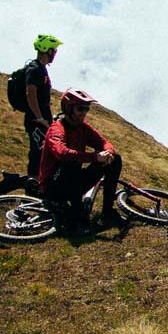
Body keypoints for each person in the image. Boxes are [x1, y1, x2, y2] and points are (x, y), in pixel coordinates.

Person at [38, 89, 125, 235]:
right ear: (68, 108)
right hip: (53, 186)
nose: (84, 113)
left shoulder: (83, 127)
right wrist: (95, 157)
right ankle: (77, 218)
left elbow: (103, 142)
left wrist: (108, 153)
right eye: (80, 108)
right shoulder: (56, 129)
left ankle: (107, 212)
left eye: (86, 109)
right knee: (70, 164)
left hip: (73, 182)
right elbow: (61, 153)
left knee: (115, 160)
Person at [18, 34, 60, 184]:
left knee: (45, 153)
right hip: (36, 121)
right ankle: (32, 184)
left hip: (42, 120)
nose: (55, 53)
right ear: (47, 50)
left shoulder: (41, 69)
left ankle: (40, 183)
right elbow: (30, 93)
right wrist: (40, 117)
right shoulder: (35, 69)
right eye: (54, 50)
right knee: (37, 153)